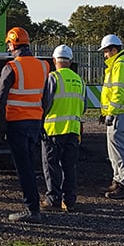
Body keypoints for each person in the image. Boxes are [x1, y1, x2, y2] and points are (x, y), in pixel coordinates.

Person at [0, 27, 49, 223]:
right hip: (34, 123)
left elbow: (0, 100)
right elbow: (46, 98)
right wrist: (41, 119)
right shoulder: (43, 66)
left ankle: (32, 209)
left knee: (23, 168)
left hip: (16, 124)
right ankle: (33, 205)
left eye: (8, 44)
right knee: (29, 165)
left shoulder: (12, 67)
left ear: (12, 44)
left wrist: (0, 126)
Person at [41, 44, 86, 212]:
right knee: (69, 165)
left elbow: (45, 103)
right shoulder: (80, 80)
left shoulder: (53, 78)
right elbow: (84, 107)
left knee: (51, 164)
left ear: (54, 60)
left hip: (53, 129)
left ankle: (53, 199)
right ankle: (70, 201)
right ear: (70, 61)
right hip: (73, 129)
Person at [98, 34, 124, 200]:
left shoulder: (120, 65)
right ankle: (118, 180)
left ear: (114, 50)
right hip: (118, 113)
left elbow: (118, 91)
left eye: (106, 51)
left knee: (119, 149)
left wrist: (111, 112)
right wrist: (106, 113)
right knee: (114, 149)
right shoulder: (117, 64)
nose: (105, 55)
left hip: (119, 114)